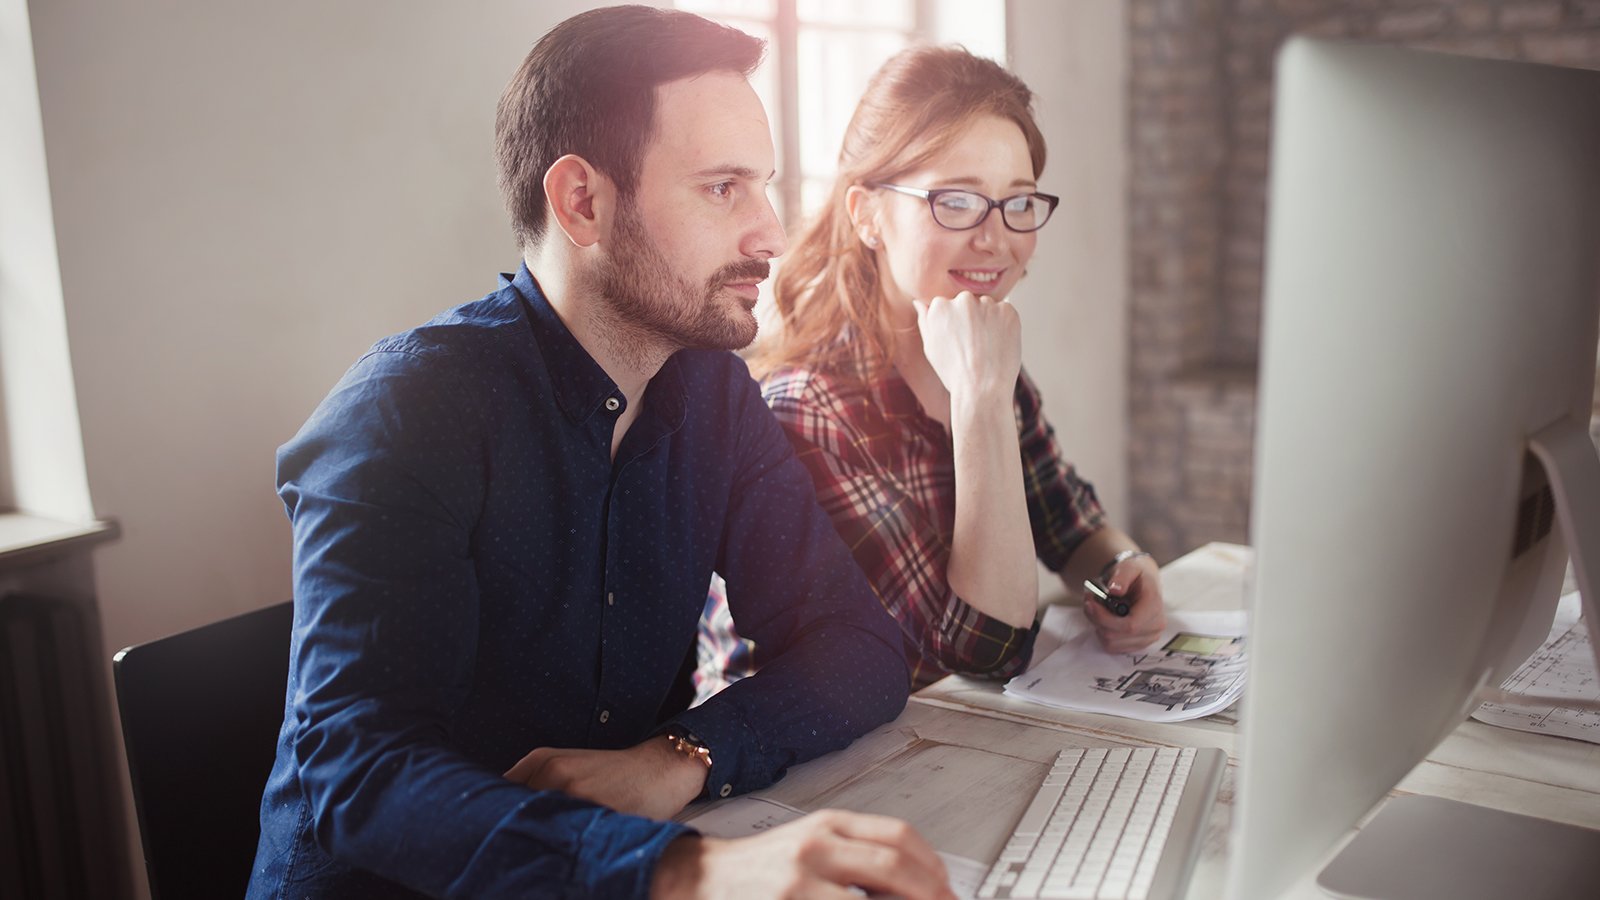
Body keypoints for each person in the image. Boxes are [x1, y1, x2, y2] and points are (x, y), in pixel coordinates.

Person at [246, 8, 956, 899]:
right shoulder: (402, 411)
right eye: (723, 188)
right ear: (583, 201)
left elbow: (857, 645)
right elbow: (362, 778)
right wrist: (683, 871)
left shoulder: (713, 395)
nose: (772, 233)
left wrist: (679, 759)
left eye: (764, 185)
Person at [698, 46, 1167, 697]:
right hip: (799, 779)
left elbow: (1072, 526)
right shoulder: (806, 411)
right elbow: (982, 652)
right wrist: (979, 397)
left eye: (1019, 203)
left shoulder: (978, 352)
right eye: (956, 201)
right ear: (867, 214)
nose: (995, 238)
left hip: (930, 744)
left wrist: (1123, 569)